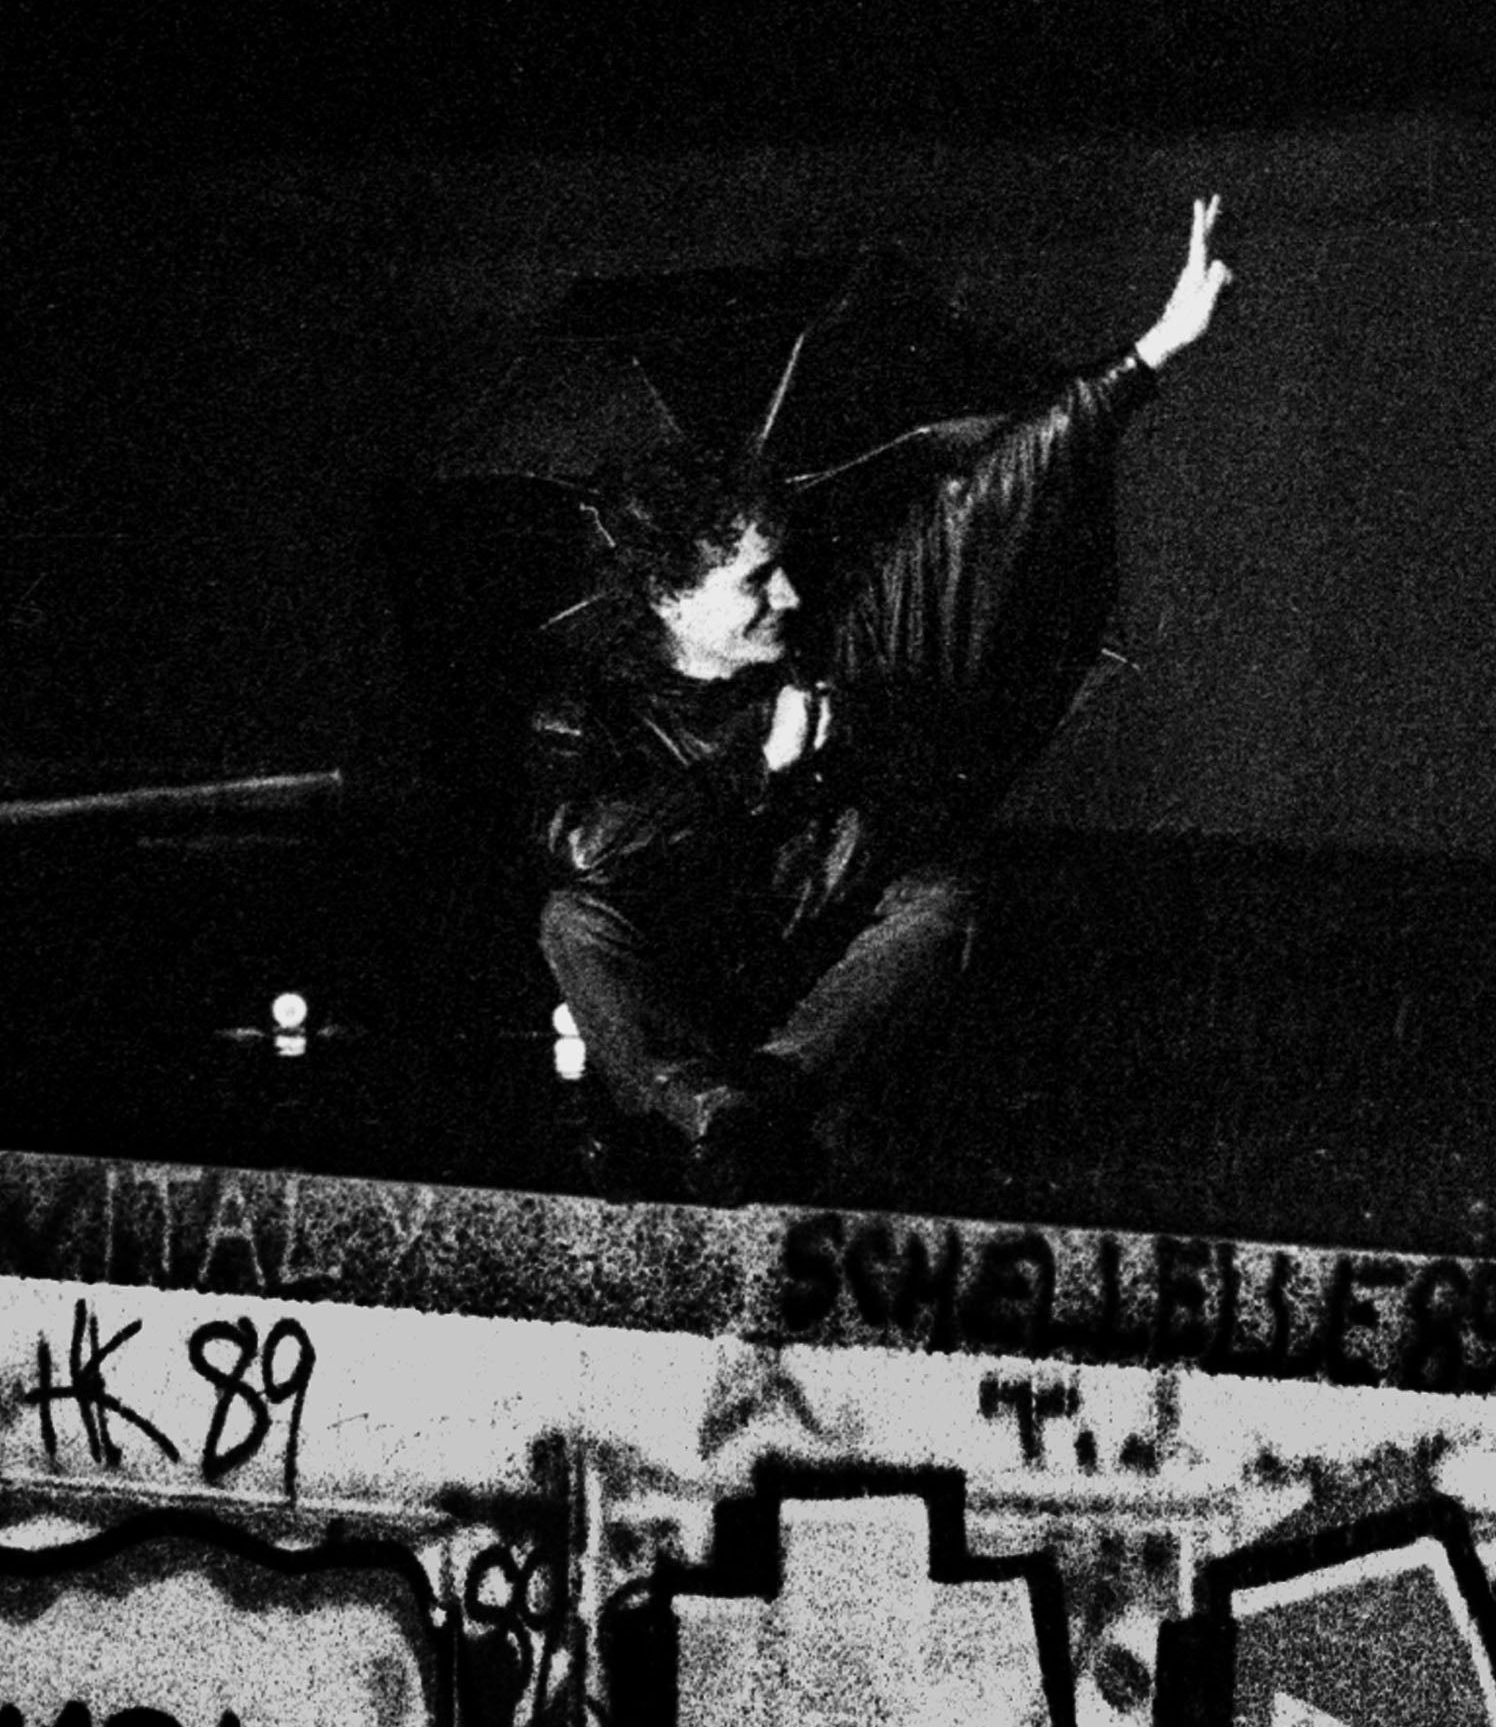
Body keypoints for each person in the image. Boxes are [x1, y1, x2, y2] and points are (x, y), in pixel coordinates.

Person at [529, 195, 1235, 1198]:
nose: (790, 593)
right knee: (572, 921)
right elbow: (588, 852)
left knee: (941, 899)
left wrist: (1148, 356)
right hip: (686, 1004)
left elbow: (982, 507)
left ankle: (761, 1106)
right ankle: (710, 1110)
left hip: (813, 1004)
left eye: (784, 565)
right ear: (669, 595)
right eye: (755, 579)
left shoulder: (834, 649)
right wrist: (751, 768)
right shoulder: (589, 705)